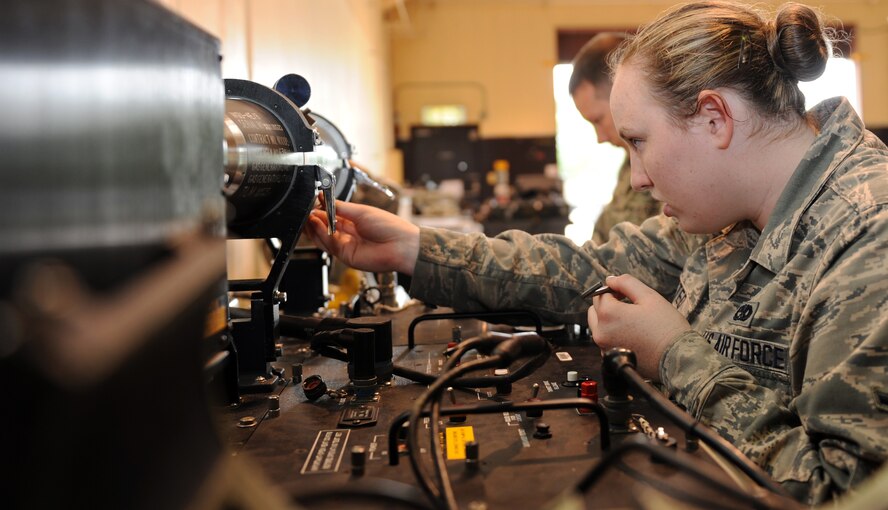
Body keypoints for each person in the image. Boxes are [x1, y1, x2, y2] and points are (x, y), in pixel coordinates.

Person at [306, 1, 888, 504]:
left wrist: (672, 352)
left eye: (638, 142)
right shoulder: (731, 213)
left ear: (715, 118)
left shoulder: (868, 240)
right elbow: (580, 271)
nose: (635, 178)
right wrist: (415, 250)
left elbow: (837, 492)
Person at [569, 33, 662, 244]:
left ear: (619, 96)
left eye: (598, 120)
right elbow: (603, 237)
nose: (600, 138)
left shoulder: (666, 162)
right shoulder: (629, 165)